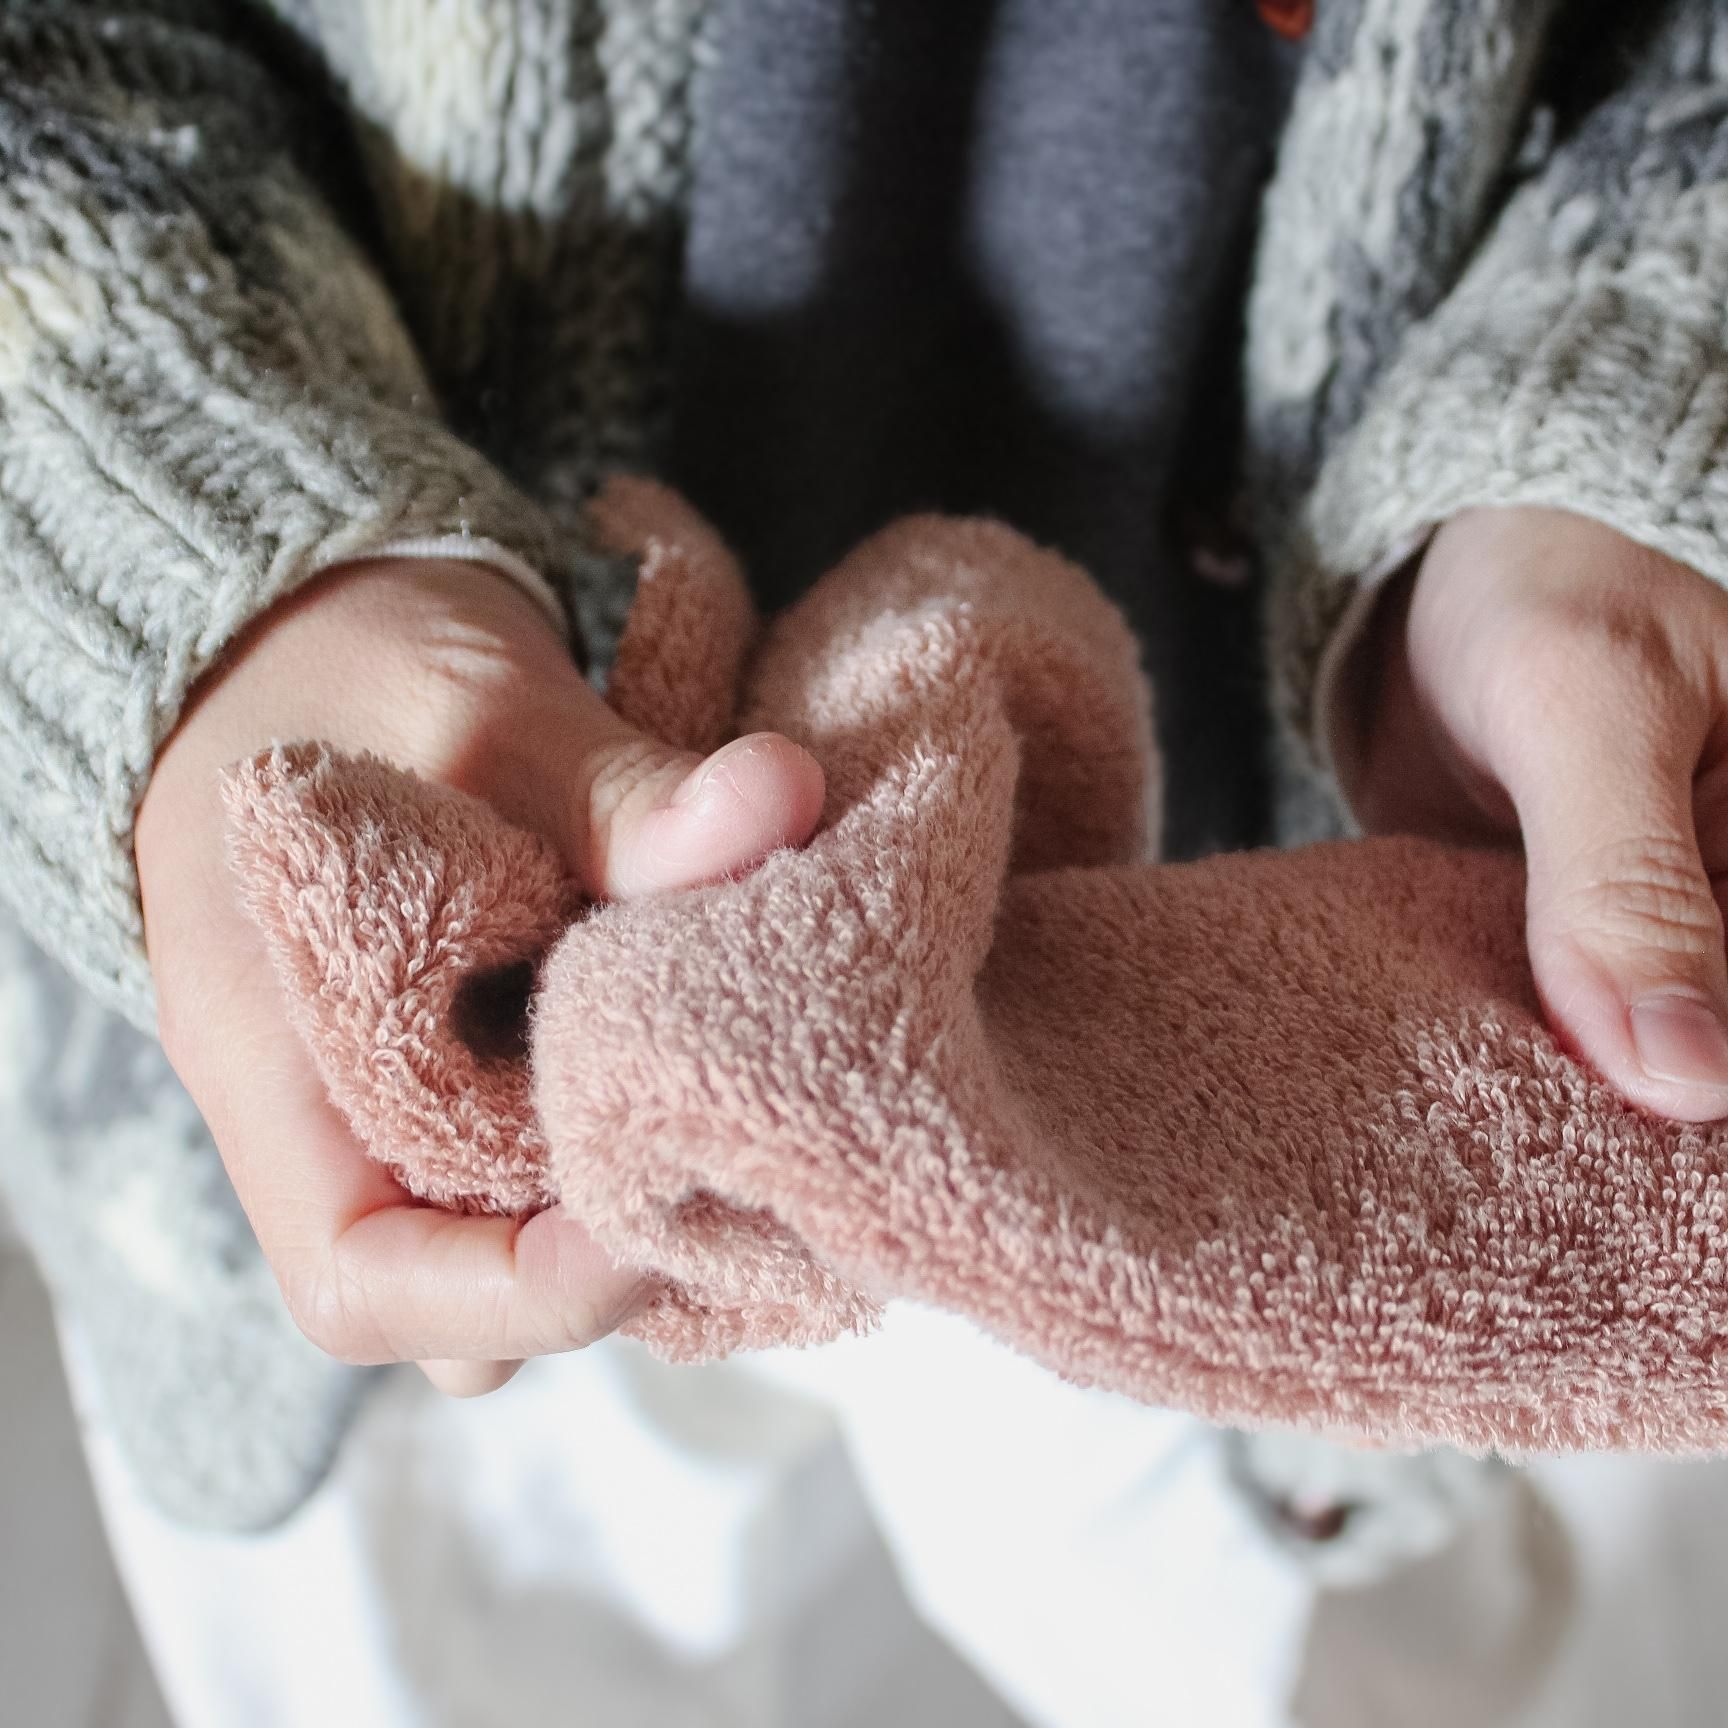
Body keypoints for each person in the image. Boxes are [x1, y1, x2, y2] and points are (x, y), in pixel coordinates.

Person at [3, 0, 1727, 1615]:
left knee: (1189, 1614)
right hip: (384, 1102)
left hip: (1321, 1029)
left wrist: (1621, 400)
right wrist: (186, 544)